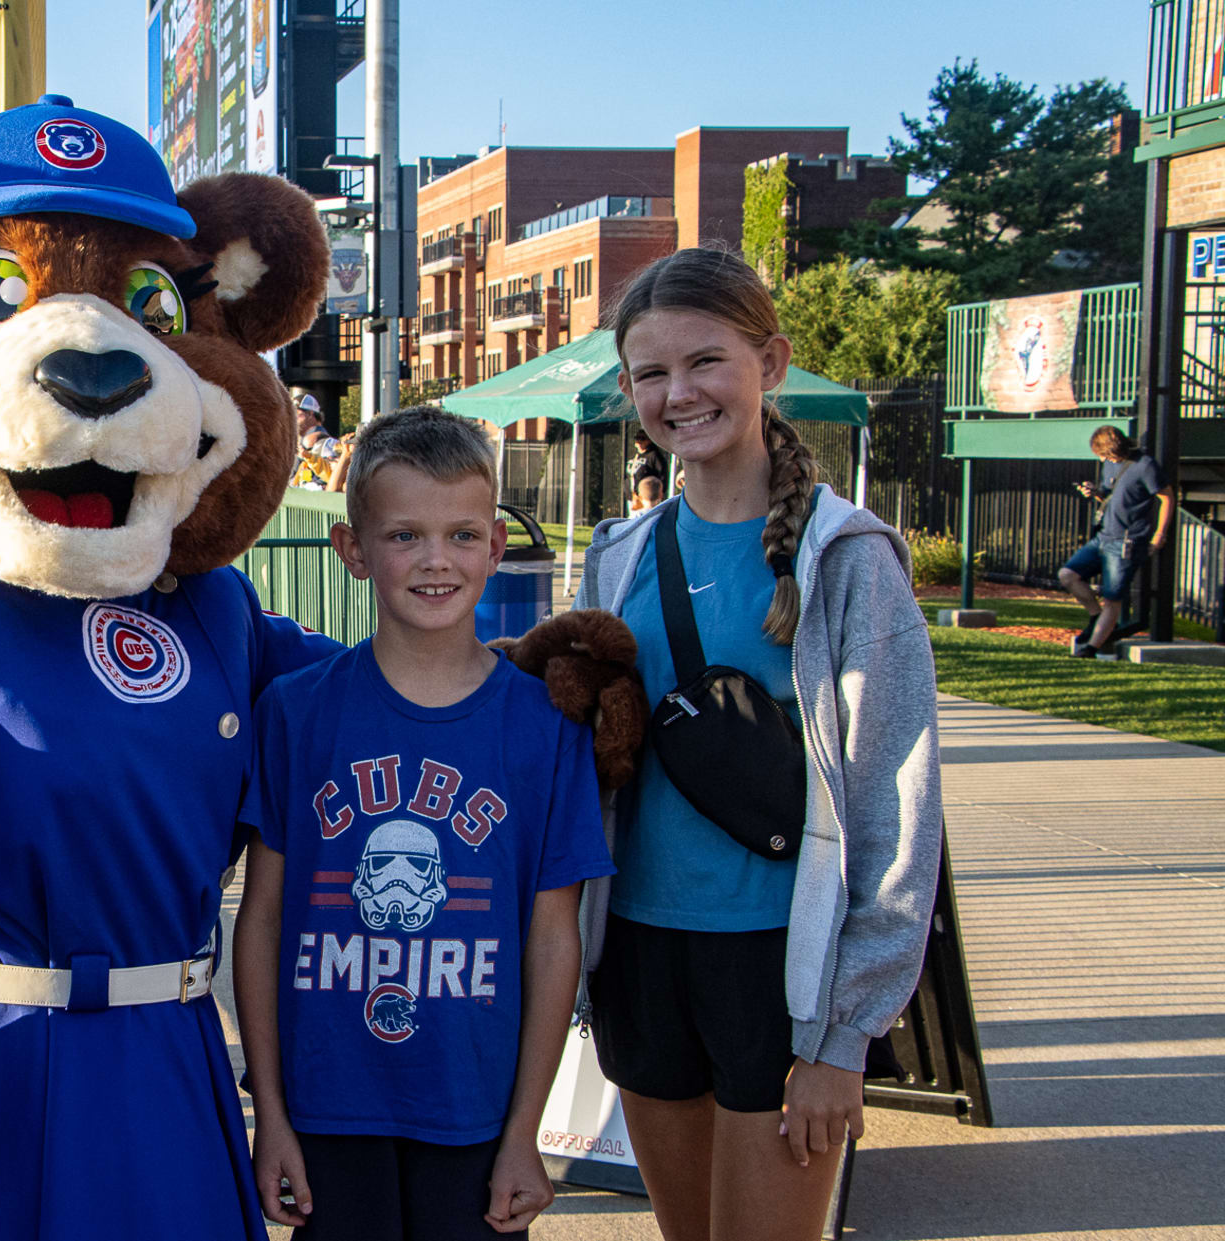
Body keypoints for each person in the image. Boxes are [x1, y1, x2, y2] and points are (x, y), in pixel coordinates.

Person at [577, 248, 942, 1241]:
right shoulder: (615, 557)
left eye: (706, 361)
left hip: (783, 968)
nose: (679, 393)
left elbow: (895, 809)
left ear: (770, 360)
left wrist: (844, 1036)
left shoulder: (848, 559)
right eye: (651, 373)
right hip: (641, 956)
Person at [235, 407, 613, 1239]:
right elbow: (262, 919)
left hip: (474, 1114)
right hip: (329, 1107)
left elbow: (555, 938)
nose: (436, 559)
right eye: (405, 535)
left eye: (462, 535)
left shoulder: (545, 726)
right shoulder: (298, 713)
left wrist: (527, 1130)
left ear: (496, 546)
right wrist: (272, 1113)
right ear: (354, 550)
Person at [1062, 425, 1173, 657]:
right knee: (1067, 575)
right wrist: (1095, 492)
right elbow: (1110, 493)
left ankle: (1092, 648)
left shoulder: (1145, 466)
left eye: (1103, 454)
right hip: (1103, 535)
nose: (1102, 459)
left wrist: (1159, 534)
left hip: (1126, 540)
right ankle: (1095, 617)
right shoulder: (1110, 464)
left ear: (1113, 448)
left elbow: (1167, 498)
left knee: (1113, 597)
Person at [628, 438, 668, 513]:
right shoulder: (635, 455)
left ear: (649, 440)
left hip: (646, 496)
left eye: (642, 438)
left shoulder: (654, 455)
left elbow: (662, 475)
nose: (639, 441)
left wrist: (653, 491)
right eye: (637, 438)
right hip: (634, 497)